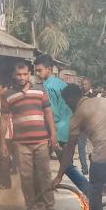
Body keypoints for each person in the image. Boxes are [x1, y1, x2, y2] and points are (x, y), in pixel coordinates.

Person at [2, 60, 60, 210]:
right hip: (21, 144)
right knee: (26, 177)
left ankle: (50, 206)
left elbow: (48, 113)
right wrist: (2, 143)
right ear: (14, 75)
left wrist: (53, 134)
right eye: (18, 74)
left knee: (44, 175)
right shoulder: (8, 95)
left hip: (41, 141)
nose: (21, 77)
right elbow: (4, 120)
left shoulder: (40, 90)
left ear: (30, 74)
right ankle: (31, 206)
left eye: (25, 74)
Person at [35, 54, 89, 194]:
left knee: (40, 166)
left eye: (40, 70)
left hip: (55, 131)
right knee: (66, 165)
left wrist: (49, 132)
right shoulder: (63, 84)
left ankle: (40, 198)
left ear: (49, 69)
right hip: (68, 129)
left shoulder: (46, 87)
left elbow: (52, 113)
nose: (37, 73)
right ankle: (91, 193)